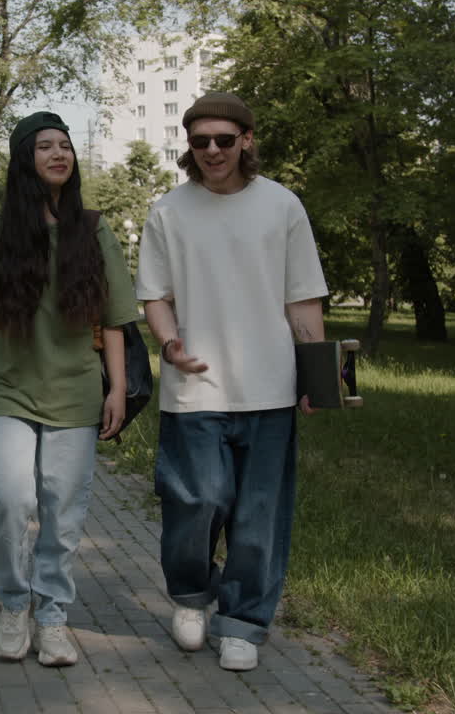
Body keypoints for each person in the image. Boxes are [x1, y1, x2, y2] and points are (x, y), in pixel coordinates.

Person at [0, 112, 138, 667]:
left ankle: (51, 616)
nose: (58, 154)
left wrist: (116, 389)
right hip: (6, 390)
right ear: (25, 160)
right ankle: (13, 602)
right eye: (45, 146)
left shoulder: (93, 230)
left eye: (65, 146)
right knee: (10, 498)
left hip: (74, 392)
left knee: (62, 507)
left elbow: (116, 320)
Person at [135, 92, 330, 670]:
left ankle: (244, 619)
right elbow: (154, 295)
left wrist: (317, 377)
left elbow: (304, 299)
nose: (213, 151)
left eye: (224, 139)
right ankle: (192, 597)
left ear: (247, 139)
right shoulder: (169, 210)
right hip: (194, 391)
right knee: (196, 500)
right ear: (189, 147)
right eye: (201, 142)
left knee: (258, 513)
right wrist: (170, 346)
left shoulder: (282, 205)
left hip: (269, 386)